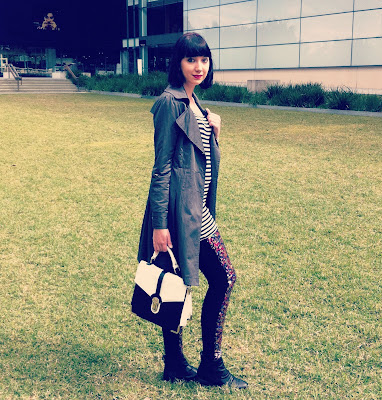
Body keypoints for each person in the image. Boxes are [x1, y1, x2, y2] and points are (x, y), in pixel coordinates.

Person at [137, 32, 248, 389]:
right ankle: (210, 366)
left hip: (195, 210)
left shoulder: (193, 100)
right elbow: (162, 168)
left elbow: (200, 160)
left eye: (204, 59)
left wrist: (214, 131)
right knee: (223, 278)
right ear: (179, 63)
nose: (199, 66)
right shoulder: (170, 102)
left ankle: (175, 363)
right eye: (191, 59)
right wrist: (159, 225)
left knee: (179, 283)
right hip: (179, 213)